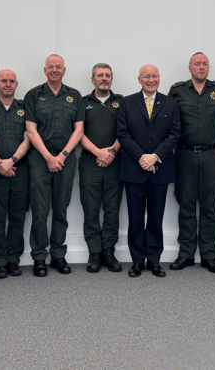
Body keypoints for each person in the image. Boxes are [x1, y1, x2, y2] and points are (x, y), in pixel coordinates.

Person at [167, 52, 215, 274]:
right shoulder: (177, 90)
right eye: (197, 64)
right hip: (184, 154)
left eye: (204, 64)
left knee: (209, 205)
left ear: (208, 68)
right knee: (185, 204)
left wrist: (214, 133)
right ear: (189, 67)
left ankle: (208, 255)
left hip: (210, 155)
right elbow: (168, 119)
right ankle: (185, 253)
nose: (201, 67)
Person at [117, 64, 180, 278]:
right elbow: (123, 134)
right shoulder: (126, 102)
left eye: (154, 76)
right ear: (139, 79)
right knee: (135, 218)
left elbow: (174, 134)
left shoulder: (170, 103)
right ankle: (137, 262)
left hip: (159, 169)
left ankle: (154, 261)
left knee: (156, 217)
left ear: (159, 79)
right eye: (146, 76)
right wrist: (142, 157)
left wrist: (155, 156)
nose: (151, 79)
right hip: (134, 168)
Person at [24, 54, 85, 277]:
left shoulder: (74, 96)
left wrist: (63, 154)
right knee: (40, 210)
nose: (54, 70)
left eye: (58, 67)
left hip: (66, 159)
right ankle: (39, 257)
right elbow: (31, 131)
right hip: (40, 159)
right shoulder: (33, 95)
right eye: (50, 67)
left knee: (60, 208)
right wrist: (49, 157)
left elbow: (79, 130)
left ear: (64, 70)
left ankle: (58, 255)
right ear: (45, 70)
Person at [0, 69, 31, 278]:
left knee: (17, 216)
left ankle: (13, 258)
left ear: (16, 84)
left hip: (20, 170)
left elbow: (28, 138)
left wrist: (12, 161)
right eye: (3, 81)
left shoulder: (25, 108)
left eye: (11, 81)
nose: (7, 84)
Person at [79, 63, 124, 273]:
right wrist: (99, 153)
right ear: (92, 79)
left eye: (107, 75)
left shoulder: (122, 102)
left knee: (112, 208)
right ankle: (94, 252)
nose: (104, 78)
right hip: (90, 163)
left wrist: (111, 153)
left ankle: (108, 250)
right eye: (100, 75)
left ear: (111, 80)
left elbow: (126, 131)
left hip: (115, 163)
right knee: (91, 208)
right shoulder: (82, 102)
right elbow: (78, 132)